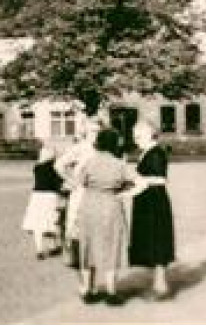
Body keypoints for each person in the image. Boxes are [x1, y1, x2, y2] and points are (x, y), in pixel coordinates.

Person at [73, 127, 139, 304]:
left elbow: (78, 183)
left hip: (90, 206)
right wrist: (124, 192)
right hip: (111, 206)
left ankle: (88, 290)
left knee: (88, 247)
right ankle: (111, 292)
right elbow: (139, 183)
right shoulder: (120, 164)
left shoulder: (89, 162)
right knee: (112, 247)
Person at [128, 121, 176, 300]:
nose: (135, 139)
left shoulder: (156, 153)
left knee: (157, 242)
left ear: (149, 134)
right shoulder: (148, 152)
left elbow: (160, 180)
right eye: (135, 136)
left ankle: (161, 287)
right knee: (153, 241)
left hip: (154, 202)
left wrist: (136, 183)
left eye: (138, 136)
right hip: (148, 201)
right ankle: (158, 284)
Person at [56, 117, 102, 270]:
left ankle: (92, 256)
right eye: (93, 131)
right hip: (81, 191)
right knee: (75, 223)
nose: (96, 133)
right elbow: (59, 164)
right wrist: (71, 180)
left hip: (97, 190)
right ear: (85, 132)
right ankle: (74, 255)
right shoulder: (80, 148)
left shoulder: (103, 148)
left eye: (98, 130)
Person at [22, 145, 66, 258]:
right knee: (52, 222)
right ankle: (54, 246)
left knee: (38, 224)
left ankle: (39, 249)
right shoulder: (55, 168)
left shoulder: (37, 167)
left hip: (36, 197)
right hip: (50, 196)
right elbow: (59, 184)